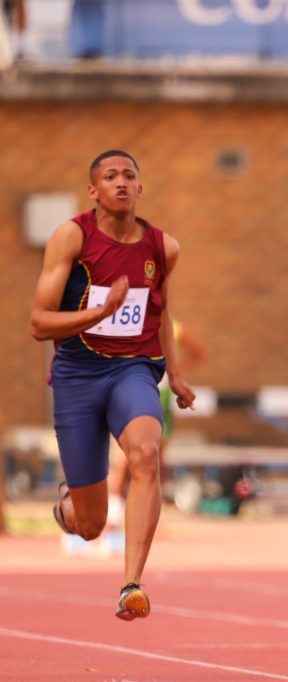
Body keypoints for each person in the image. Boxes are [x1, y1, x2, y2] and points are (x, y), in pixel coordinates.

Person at [29, 150, 195, 621]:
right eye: (110, 176)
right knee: (90, 526)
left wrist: (176, 375)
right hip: (77, 377)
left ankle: (131, 585)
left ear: (140, 188)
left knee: (146, 452)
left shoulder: (164, 249)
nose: (121, 182)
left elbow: (159, 312)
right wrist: (98, 313)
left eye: (129, 175)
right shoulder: (71, 238)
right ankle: (70, 504)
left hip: (133, 369)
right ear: (93, 190)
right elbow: (40, 323)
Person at [107, 315, 205, 526]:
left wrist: (174, 371)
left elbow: (198, 354)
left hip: (161, 394)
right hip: (131, 389)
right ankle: (114, 509)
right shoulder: (126, 322)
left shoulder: (173, 327)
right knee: (123, 455)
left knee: (157, 455)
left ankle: (152, 512)